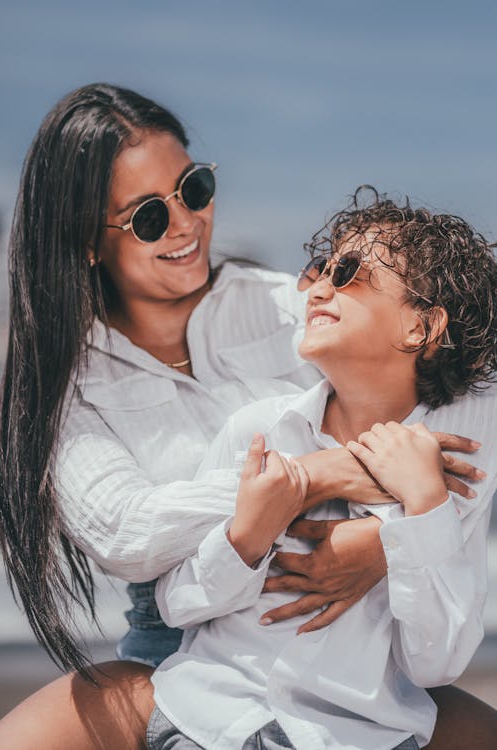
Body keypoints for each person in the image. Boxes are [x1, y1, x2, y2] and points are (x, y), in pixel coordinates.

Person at [0, 84, 494, 749]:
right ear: (86, 240)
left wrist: (390, 545)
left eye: (194, 189)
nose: (186, 223)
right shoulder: (67, 384)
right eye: (148, 216)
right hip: (188, 654)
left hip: (360, 639)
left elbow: (460, 387)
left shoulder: (288, 305)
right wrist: (312, 478)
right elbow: (129, 534)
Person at [148, 190, 497, 749]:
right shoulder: (258, 432)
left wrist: (425, 510)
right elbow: (177, 604)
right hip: (213, 722)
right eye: (321, 267)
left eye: (351, 271)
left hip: (359, 736)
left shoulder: (444, 471)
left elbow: (437, 664)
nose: (318, 286)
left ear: (420, 328)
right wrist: (249, 535)